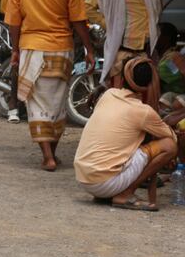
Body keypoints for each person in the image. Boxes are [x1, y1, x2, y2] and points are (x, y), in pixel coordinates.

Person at [5, 0, 95, 171]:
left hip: (32, 49)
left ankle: (47, 156)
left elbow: (14, 22)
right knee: (56, 104)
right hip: (62, 50)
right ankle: (52, 152)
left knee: (37, 105)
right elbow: (79, 22)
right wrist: (89, 50)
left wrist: (15, 50)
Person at [74, 58, 177, 211]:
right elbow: (171, 138)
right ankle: (126, 194)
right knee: (169, 146)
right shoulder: (143, 111)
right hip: (104, 183)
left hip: (83, 178)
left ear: (122, 79)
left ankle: (111, 192)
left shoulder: (108, 95)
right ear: (149, 84)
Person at [86, 0, 185, 98]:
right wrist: (110, 25)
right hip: (122, 60)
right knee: (122, 106)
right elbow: (85, 7)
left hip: (147, 57)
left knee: (147, 106)